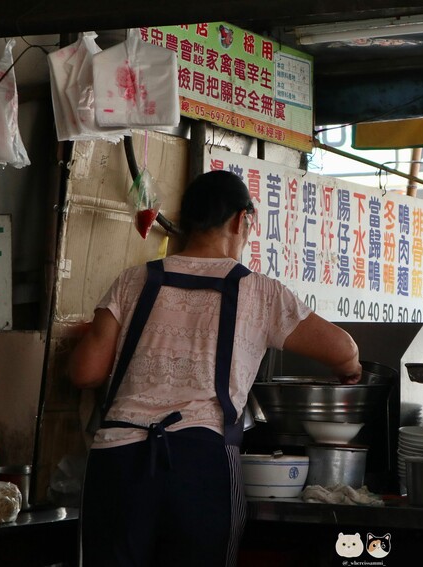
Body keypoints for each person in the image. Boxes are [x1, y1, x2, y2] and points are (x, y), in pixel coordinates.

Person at [69, 170, 362, 567]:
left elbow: (85, 372)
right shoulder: (259, 292)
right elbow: (343, 349)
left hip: (118, 463)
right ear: (242, 220)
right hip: (198, 463)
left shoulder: (132, 281)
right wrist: (351, 368)